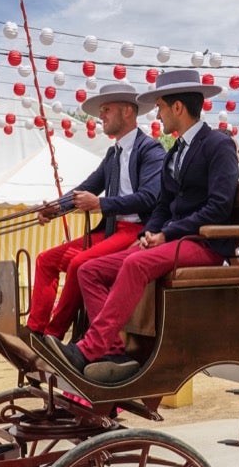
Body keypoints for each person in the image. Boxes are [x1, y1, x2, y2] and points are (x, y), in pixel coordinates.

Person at [45, 69, 239, 384]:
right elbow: (162, 204)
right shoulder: (175, 150)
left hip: (204, 243)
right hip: (172, 241)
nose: (159, 115)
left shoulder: (218, 145)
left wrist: (166, 233)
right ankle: (112, 350)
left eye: (161, 106)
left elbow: (217, 207)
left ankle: (89, 349)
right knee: (89, 270)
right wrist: (151, 233)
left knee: (135, 263)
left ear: (178, 108)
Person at [26, 83, 164, 339]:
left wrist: (101, 204)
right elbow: (87, 188)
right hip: (112, 231)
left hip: (137, 232)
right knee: (46, 259)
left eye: (106, 109)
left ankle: (54, 334)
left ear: (127, 112)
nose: (101, 116)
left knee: (80, 263)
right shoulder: (113, 155)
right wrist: (55, 208)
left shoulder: (151, 150)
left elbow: (149, 198)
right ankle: (34, 330)